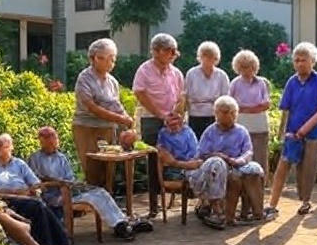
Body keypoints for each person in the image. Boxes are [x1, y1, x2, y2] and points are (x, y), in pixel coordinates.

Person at [28, 127, 152, 241]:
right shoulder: (35, 158)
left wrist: (72, 184)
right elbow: (36, 179)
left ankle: (122, 223)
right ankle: (121, 225)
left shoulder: (61, 157)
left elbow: (70, 177)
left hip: (69, 189)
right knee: (93, 197)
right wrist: (57, 182)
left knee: (101, 192)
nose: (54, 142)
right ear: (42, 141)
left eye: (55, 138)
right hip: (54, 195)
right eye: (50, 139)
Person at [265, 42, 317, 217]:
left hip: (314, 133)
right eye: (296, 60)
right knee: (283, 165)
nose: (299, 63)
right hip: (292, 133)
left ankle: (305, 201)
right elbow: (285, 109)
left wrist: (307, 127)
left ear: (313, 61)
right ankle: (272, 204)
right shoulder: (292, 82)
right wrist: (283, 133)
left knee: (307, 169)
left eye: (304, 60)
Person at [0, 134, 74, 245]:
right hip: (2, 201)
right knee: (38, 207)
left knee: (42, 208)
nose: (2, 151)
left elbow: (36, 184)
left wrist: (34, 190)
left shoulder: (19, 164)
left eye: (6, 147)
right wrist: (16, 192)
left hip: (24, 198)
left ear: (11, 147)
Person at [132, 32, 185, 214]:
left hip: (171, 121)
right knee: (154, 161)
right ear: (157, 51)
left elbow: (180, 98)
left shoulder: (176, 72)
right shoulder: (144, 70)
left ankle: (174, 198)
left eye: (174, 52)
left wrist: (176, 115)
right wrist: (161, 115)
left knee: (176, 158)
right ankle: (154, 205)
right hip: (151, 120)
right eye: (169, 51)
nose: (173, 55)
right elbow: (140, 94)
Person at [72, 37, 136, 185]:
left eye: (112, 59)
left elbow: (117, 105)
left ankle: (107, 202)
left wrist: (128, 121)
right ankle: (92, 204)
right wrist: (121, 119)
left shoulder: (112, 81)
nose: (109, 62)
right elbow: (92, 108)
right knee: (92, 170)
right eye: (103, 58)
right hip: (87, 127)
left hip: (107, 128)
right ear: (93, 58)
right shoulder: (84, 78)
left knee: (108, 171)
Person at [193, 96, 265, 228]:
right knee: (226, 171)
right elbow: (201, 153)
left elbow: (248, 152)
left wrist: (237, 161)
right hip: (218, 167)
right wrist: (219, 156)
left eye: (232, 112)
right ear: (216, 114)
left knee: (255, 169)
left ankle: (256, 212)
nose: (229, 115)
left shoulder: (241, 131)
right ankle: (222, 213)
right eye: (225, 112)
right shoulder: (210, 131)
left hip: (236, 164)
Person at [229, 50, 271, 181]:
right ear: (238, 68)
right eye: (244, 67)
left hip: (260, 126)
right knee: (243, 156)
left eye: (250, 66)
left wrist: (245, 108)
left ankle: (261, 185)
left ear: (255, 67)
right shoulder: (235, 83)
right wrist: (254, 108)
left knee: (260, 157)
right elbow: (231, 105)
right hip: (241, 126)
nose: (247, 70)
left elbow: (266, 104)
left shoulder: (261, 83)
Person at [184, 41, 229, 138]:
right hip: (195, 116)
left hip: (215, 116)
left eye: (211, 56)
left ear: (216, 58)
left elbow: (225, 98)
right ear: (200, 57)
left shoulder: (222, 75)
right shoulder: (191, 73)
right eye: (205, 55)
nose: (208, 59)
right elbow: (186, 96)